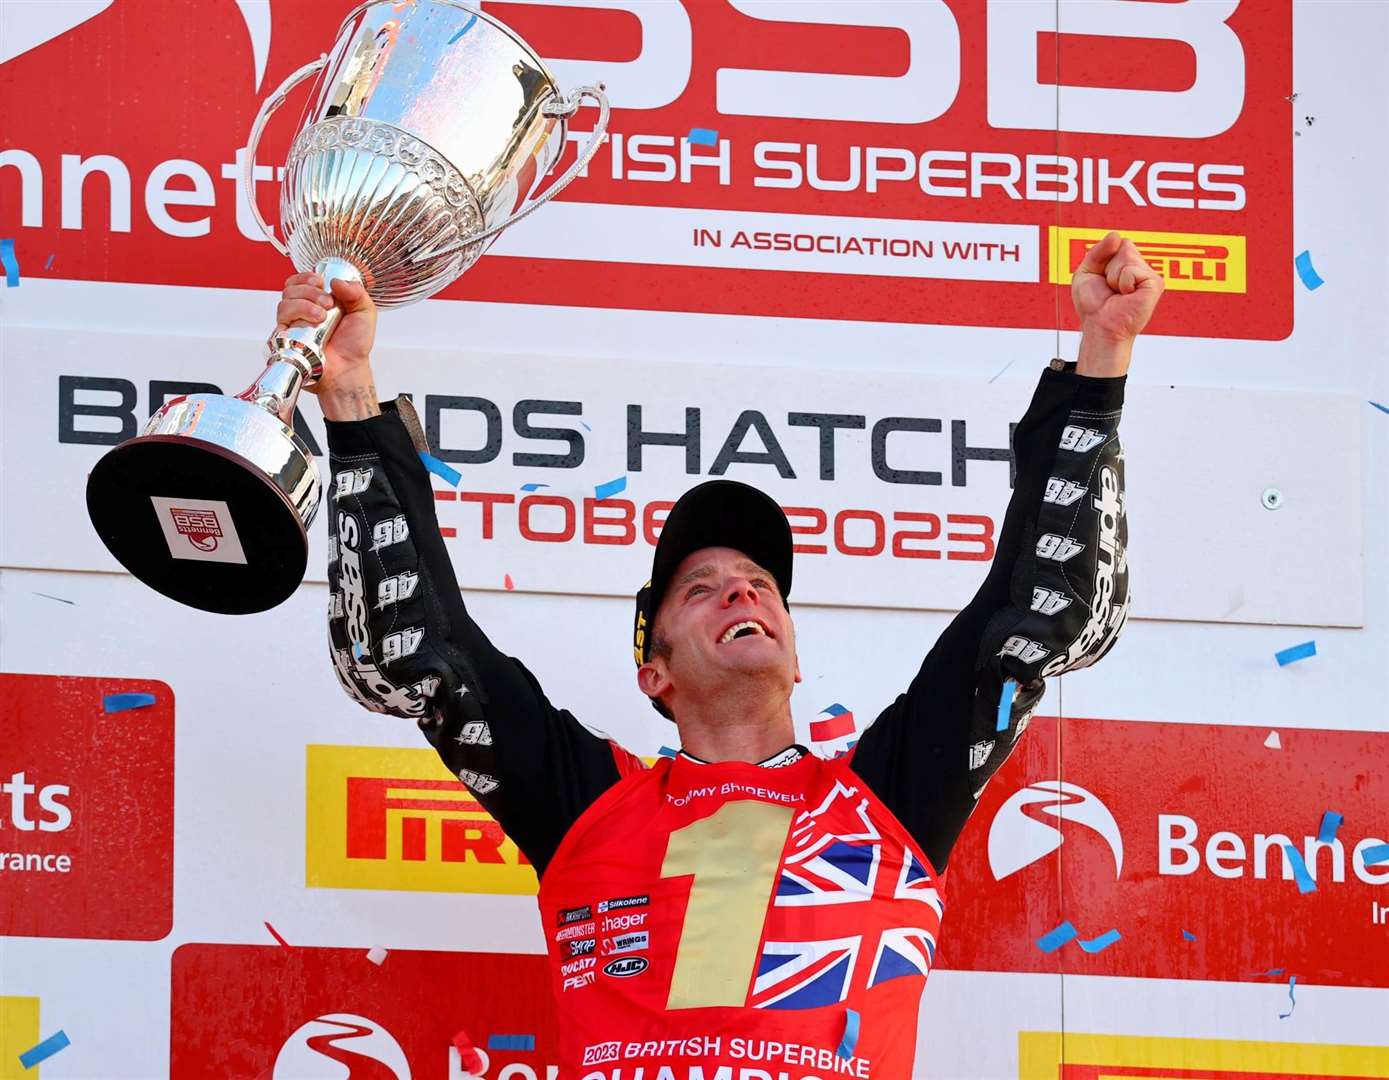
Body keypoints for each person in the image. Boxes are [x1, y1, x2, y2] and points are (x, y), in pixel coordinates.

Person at [282, 230, 1162, 1078]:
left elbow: (1033, 617)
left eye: (759, 582)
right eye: (700, 588)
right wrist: (351, 395)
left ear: (794, 655)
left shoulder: (891, 800)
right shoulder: (587, 806)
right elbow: (415, 655)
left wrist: (1097, 368)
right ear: (653, 673)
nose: (742, 591)